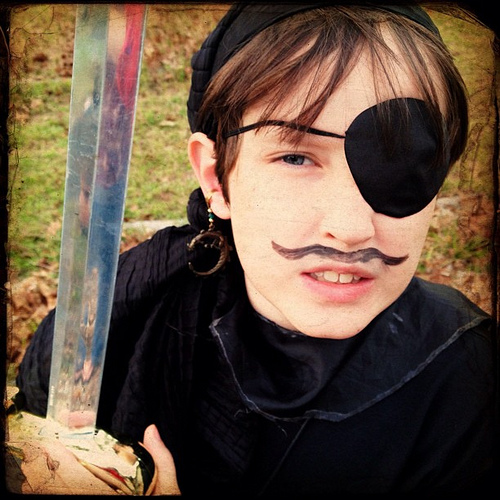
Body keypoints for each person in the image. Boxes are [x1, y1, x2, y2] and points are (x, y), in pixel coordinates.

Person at [15, 2, 498, 497]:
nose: (350, 230)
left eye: (400, 160)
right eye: (295, 157)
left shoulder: (473, 384)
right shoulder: (104, 327)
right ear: (216, 178)